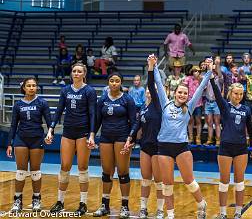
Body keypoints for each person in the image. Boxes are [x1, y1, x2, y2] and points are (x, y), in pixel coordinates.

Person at [151, 55, 212, 219]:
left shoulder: (190, 106)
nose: (182, 95)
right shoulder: (166, 103)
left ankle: (201, 203)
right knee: (167, 185)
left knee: (189, 182)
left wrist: (210, 71)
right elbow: (157, 83)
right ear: (175, 93)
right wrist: (154, 65)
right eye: (180, 92)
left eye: (185, 93)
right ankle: (170, 214)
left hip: (181, 148)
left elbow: (201, 88)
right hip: (163, 147)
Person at [45, 63, 97, 216]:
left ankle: (83, 203)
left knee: (82, 167)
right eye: (74, 71)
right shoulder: (65, 90)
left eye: (79, 71)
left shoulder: (89, 91)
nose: (76, 73)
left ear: (84, 74)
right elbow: (59, 110)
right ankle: (60, 202)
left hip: (83, 133)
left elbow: (93, 113)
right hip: (67, 132)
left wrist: (92, 134)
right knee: (65, 166)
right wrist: (51, 128)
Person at [124, 57, 164, 218]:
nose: (149, 91)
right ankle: (143, 207)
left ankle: (160, 210)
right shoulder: (143, 108)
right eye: (148, 89)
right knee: (145, 179)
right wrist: (129, 139)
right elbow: (136, 125)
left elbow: (153, 86)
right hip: (145, 146)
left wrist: (151, 67)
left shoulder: (159, 105)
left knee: (159, 181)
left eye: (151, 89)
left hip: (158, 147)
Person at [93, 72, 137, 217]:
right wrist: (92, 135)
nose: (114, 83)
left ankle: (125, 206)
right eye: (111, 80)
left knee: (123, 172)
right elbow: (97, 120)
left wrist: (131, 139)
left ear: (121, 83)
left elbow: (134, 122)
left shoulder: (127, 99)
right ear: (108, 82)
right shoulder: (103, 99)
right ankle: (104, 205)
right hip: (105, 137)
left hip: (122, 138)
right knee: (106, 172)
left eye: (117, 81)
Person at [210, 78, 252, 219]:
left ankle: (238, 212)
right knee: (224, 181)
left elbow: (251, 130)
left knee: (240, 181)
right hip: (226, 148)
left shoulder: (246, 109)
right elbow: (217, 94)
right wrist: (211, 78)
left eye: (241, 94)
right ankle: (223, 212)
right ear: (230, 93)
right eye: (236, 93)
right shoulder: (225, 106)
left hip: (241, 149)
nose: (238, 96)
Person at [6, 77, 52, 213]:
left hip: (37, 139)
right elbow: (13, 125)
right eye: (29, 85)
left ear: (36, 87)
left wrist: (50, 134)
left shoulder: (42, 102)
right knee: (20, 171)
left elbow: (50, 122)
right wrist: (9, 143)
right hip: (21, 139)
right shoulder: (18, 104)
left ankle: (36, 199)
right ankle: (17, 200)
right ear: (24, 88)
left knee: (35, 172)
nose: (32, 87)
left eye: (34, 85)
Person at [204, 58, 223, 146]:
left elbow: (220, 75)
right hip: (208, 102)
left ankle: (218, 139)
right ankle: (210, 139)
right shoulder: (204, 76)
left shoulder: (218, 76)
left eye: (210, 63)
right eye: (207, 62)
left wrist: (217, 65)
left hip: (216, 102)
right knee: (209, 122)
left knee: (217, 122)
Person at [183, 66, 203, 144]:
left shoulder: (201, 79)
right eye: (194, 71)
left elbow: (204, 88)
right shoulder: (188, 78)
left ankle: (198, 138)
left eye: (198, 71)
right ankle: (190, 137)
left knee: (198, 120)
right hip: (189, 103)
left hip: (198, 103)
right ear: (192, 71)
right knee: (190, 120)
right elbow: (184, 87)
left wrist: (199, 80)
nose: (196, 72)